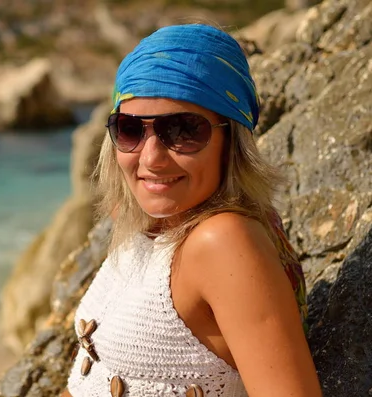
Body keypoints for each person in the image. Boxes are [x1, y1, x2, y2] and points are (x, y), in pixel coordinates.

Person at [62, 24, 322, 397]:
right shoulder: (150, 224)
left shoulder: (224, 242)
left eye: (183, 130)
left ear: (231, 140)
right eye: (130, 129)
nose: (150, 159)